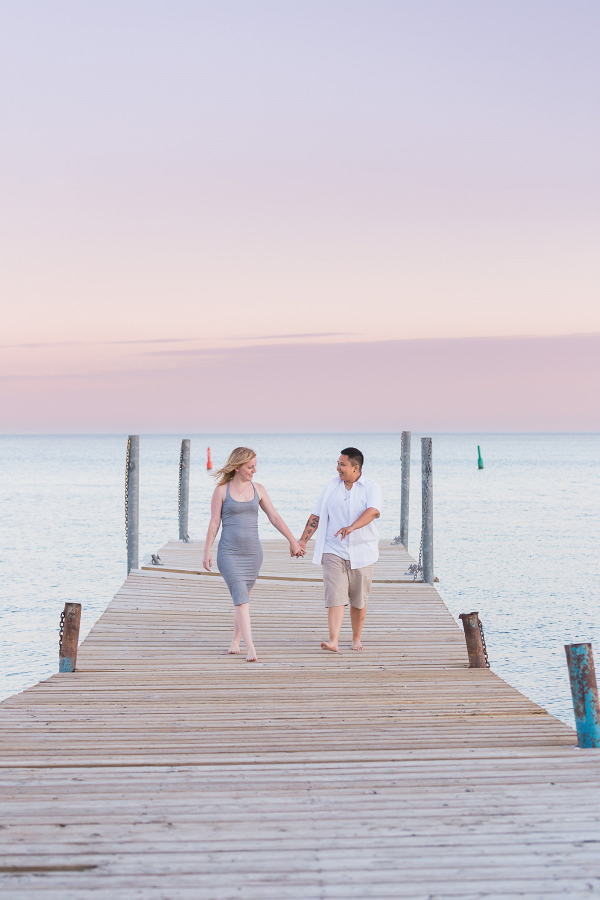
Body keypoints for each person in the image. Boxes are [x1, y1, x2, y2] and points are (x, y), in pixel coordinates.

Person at [203, 447, 304, 661]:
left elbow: (274, 517)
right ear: (238, 466)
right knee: (241, 598)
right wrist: (207, 550)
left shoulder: (258, 489)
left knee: (243, 598)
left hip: (253, 554)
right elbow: (214, 523)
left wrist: (293, 541)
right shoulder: (221, 490)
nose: (254, 471)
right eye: (250, 467)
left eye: (255, 466)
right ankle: (251, 647)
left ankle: (235, 640)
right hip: (229, 554)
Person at [297, 447, 382, 652]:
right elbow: (316, 516)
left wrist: (352, 527)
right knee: (335, 595)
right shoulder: (330, 488)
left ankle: (355, 638)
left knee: (358, 599)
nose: (338, 468)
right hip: (333, 549)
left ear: (356, 467)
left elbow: (373, 511)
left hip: (363, 552)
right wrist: (302, 541)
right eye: (338, 463)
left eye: (342, 464)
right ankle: (333, 641)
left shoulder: (371, 487)